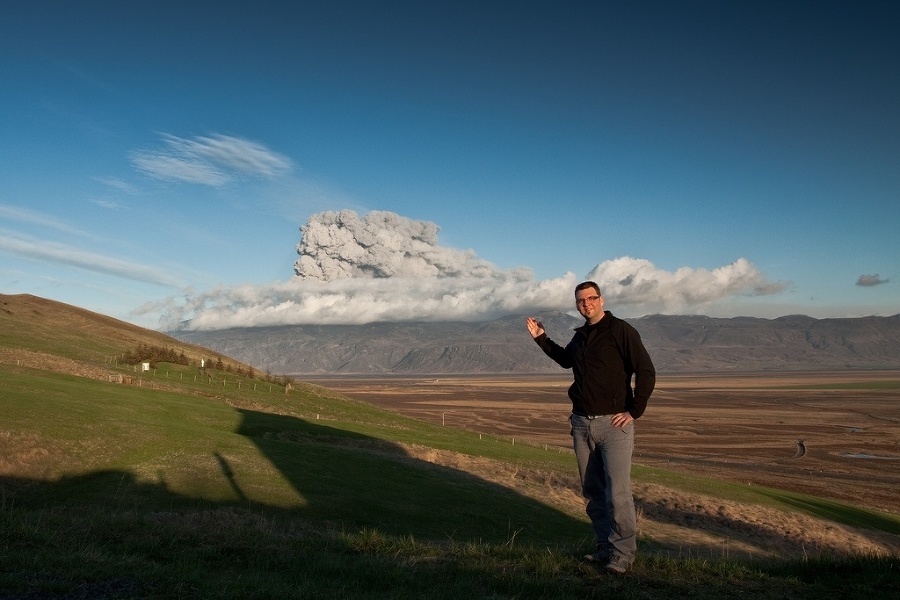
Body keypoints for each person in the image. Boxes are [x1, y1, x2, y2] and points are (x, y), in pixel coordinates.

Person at [525, 281, 655, 574]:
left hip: (613, 425)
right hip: (582, 423)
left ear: (601, 299)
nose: (586, 304)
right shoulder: (581, 336)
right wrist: (541, 338)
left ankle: (623, 554)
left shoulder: (620, 331)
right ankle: (604, 547)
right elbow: (566, 361)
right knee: (593, 491)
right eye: (581, 301)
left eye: (591, 298)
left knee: (618, 493)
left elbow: (645, 369)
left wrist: (635, 410)